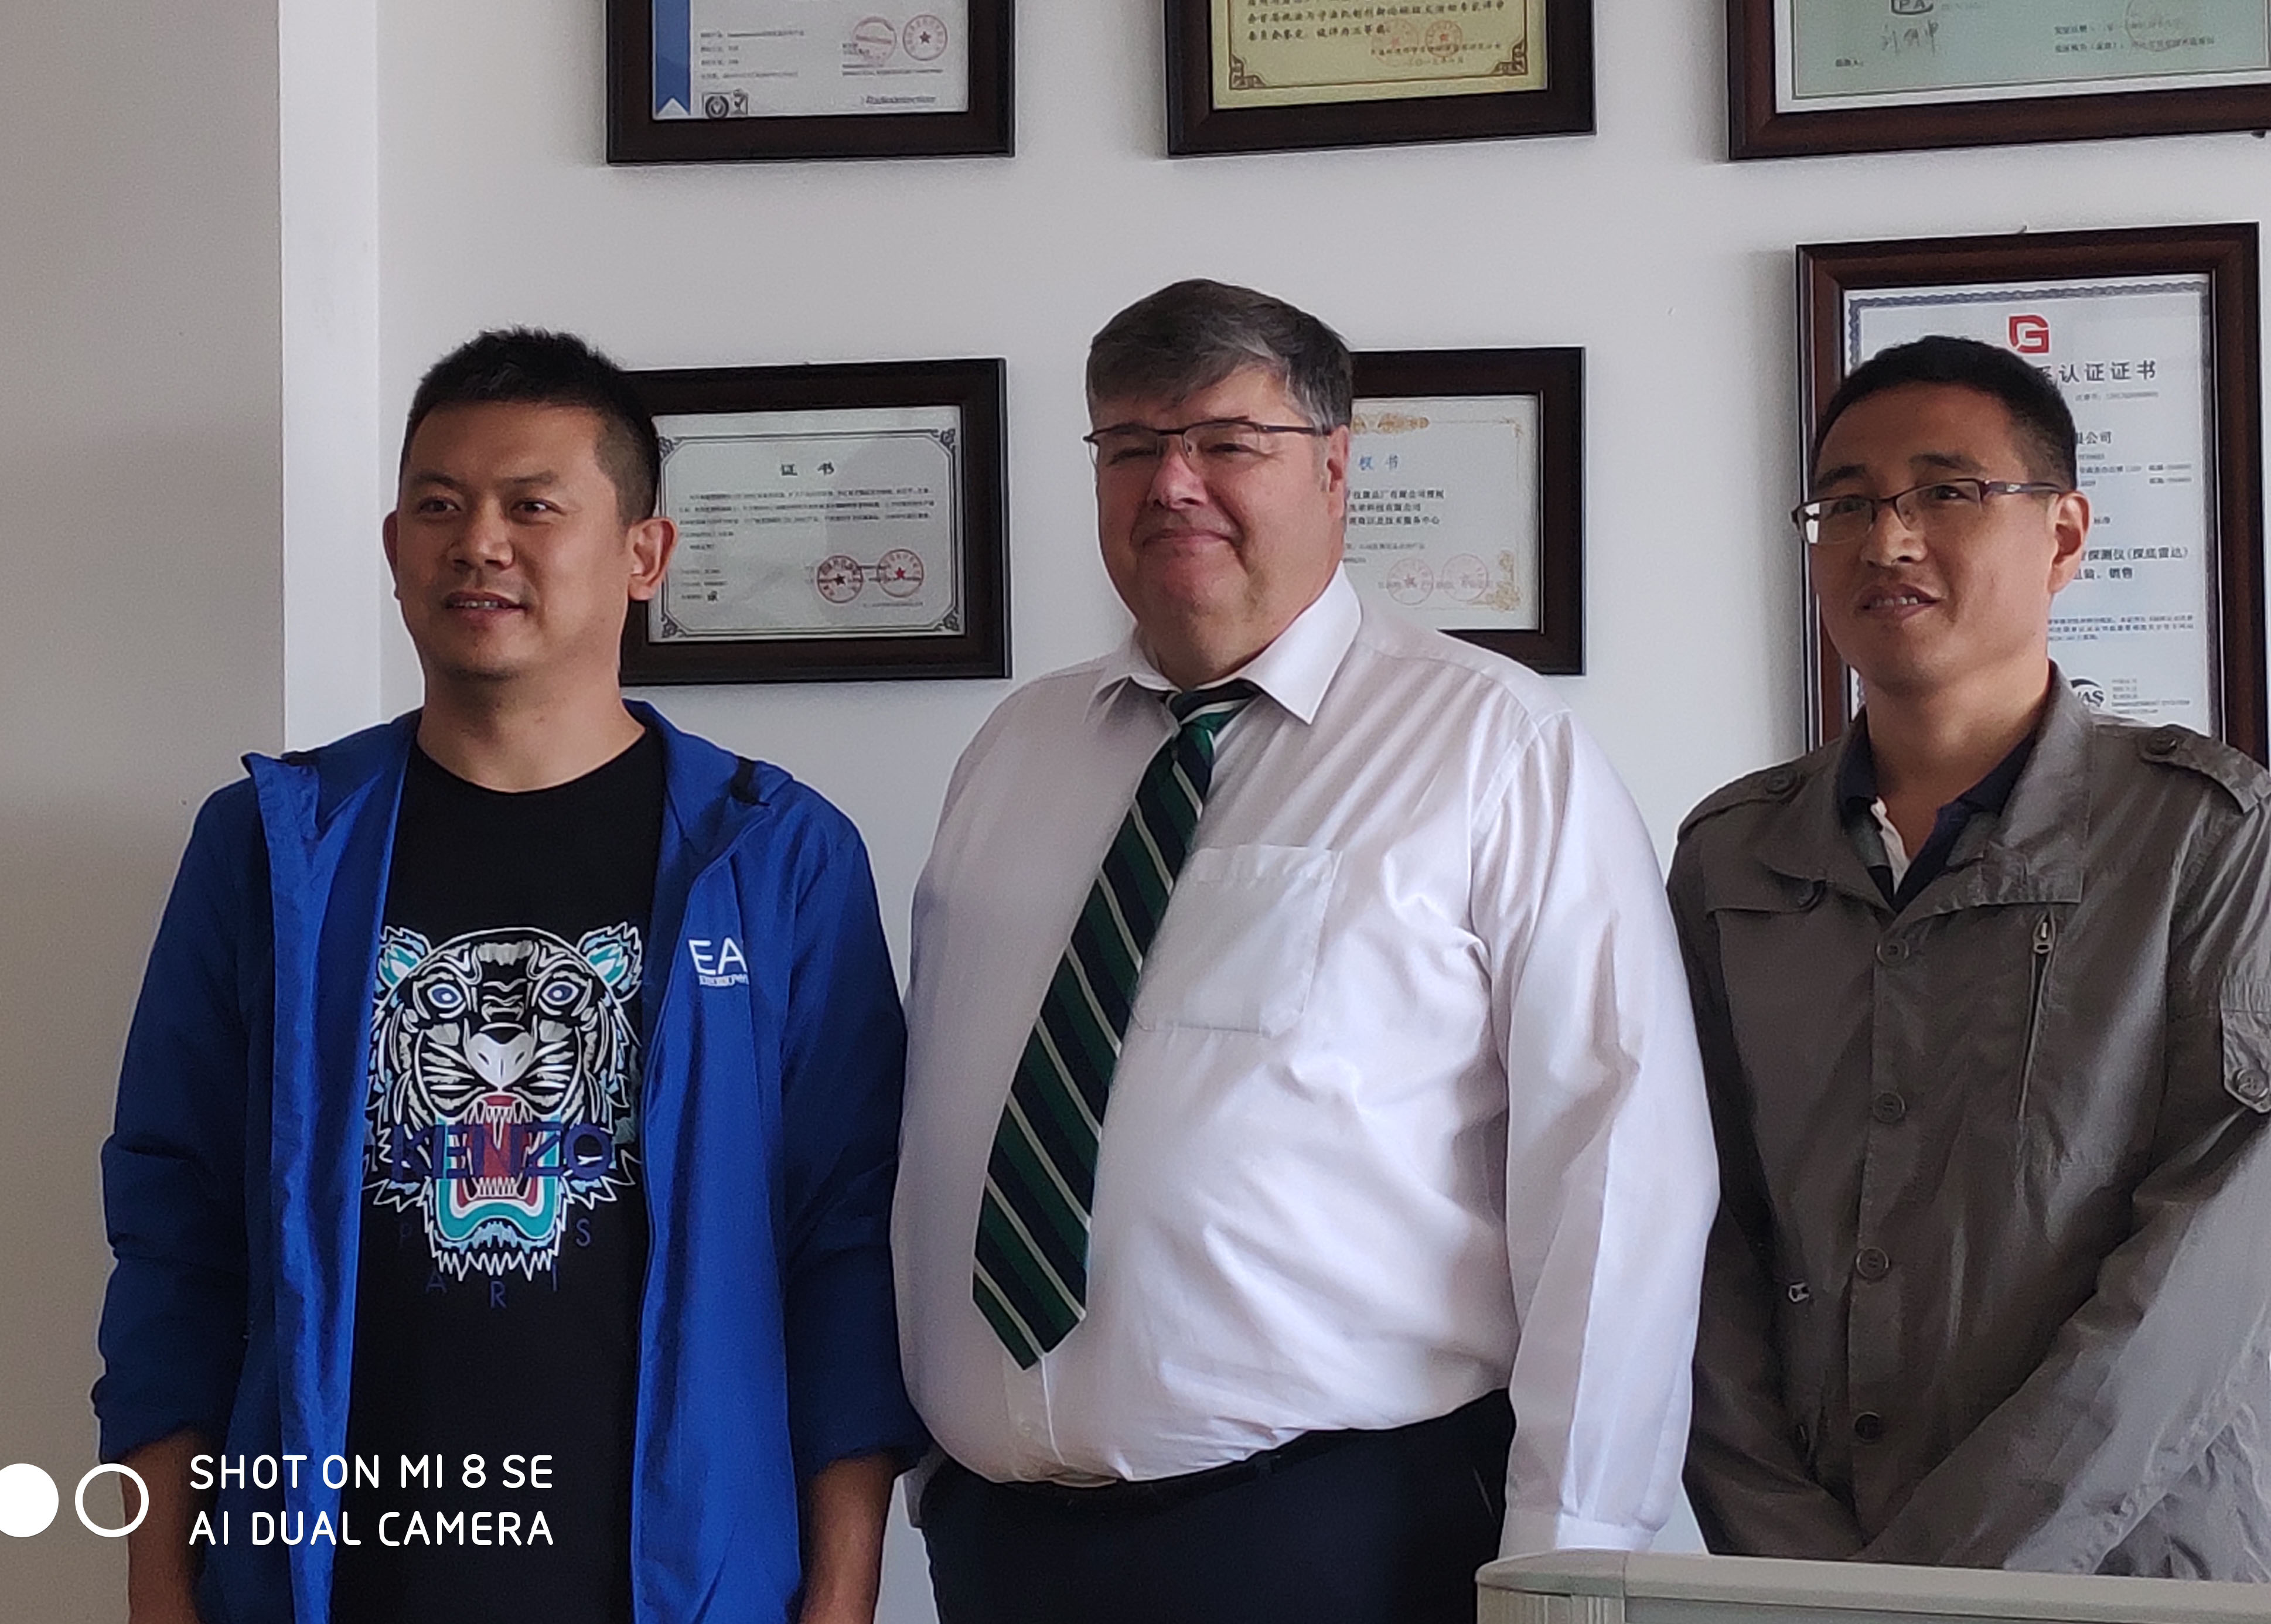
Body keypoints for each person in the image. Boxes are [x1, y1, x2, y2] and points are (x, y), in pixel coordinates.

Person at [892, 278, 1717, 1624]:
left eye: (1226, 441)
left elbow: (1619, 1176)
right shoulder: (1014, 751)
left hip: (1335, 1543)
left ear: (1338, 467)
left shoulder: (1495, 750)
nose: (1173, 483)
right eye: (1130, 445)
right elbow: (944, 1123)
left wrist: (1566, 1565)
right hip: (1002, 1548)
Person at [94, 328, 923, 1623]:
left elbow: (847, 1246)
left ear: (644, 553)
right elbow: (172, 1232)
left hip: (680, 1584)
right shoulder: (271, 848)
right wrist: (159, 1586)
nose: (479, 543)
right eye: (440, 507)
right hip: (328, 1575)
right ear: (394, 548)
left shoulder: (777, 856)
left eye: (533, 506)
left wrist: (842, 1593)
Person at [1674, 335, 2271, 1577]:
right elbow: (1688, 1229)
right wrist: (1794, 1559)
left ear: (2064, 534)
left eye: (1946, 492)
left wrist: (1947, 1584)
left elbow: (2213, 1260)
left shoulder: (2207, 838)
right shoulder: (1734, 856)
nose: (1886, 540)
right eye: (1845, 504)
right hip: (1808, 1566)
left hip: (2131, 1565)